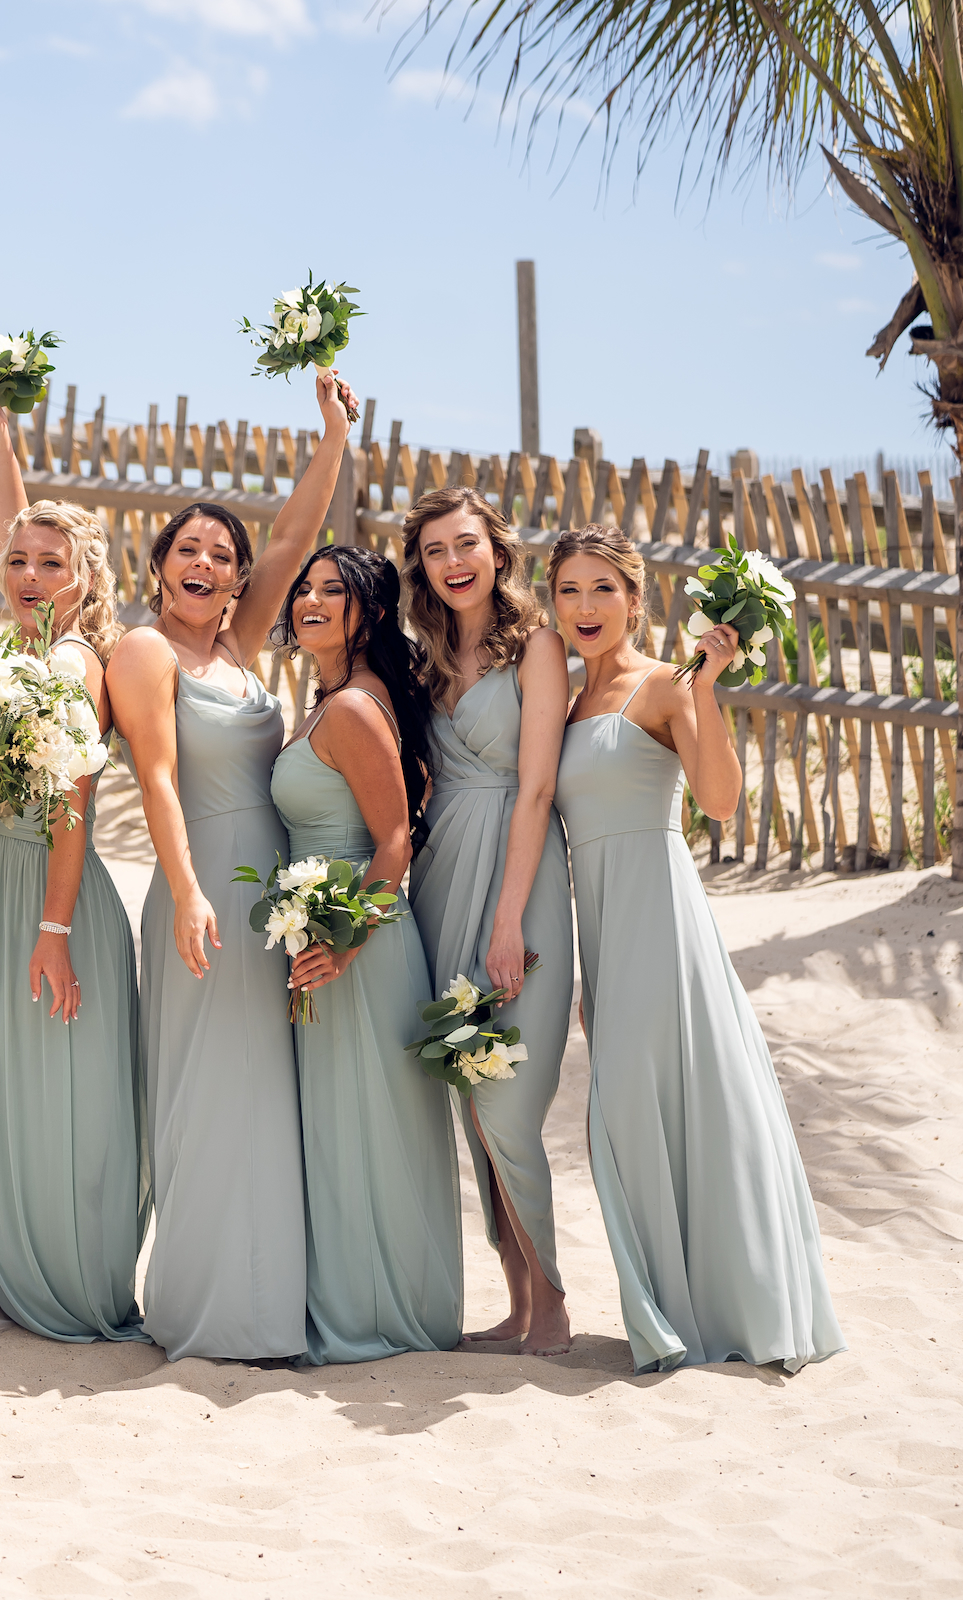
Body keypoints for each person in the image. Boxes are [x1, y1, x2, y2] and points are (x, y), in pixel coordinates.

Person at [549, 526, 844, 1374]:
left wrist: (707, 689)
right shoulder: (567, 702)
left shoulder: (668, 685)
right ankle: (669, 1304)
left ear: (635, 600)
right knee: (633, 1110)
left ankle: (716, 1309)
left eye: (603, 589)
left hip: (659, 911)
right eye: (569, 590)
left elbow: (717, 801)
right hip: (600, 925)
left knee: (677, 1101)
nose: (585, 607)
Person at [107, 366, 355, 1363]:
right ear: (160, 566)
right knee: (209, 1095)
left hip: (272, 895)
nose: (205, 564)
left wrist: (333, 433)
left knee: (265, 1096)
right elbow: (159, 778)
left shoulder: (241, 647)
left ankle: (265, 1308)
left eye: (223, 554)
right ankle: (205, 1311)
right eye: (189, 551)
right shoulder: (144, 651)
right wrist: (187, 890)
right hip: (200, 892)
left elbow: (294, 539)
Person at [0, 402, 146, 1345]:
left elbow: (70, 801)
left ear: (84, 580)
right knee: (17, 1092)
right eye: (17, 561)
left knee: (62, 1098)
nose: (29, 575)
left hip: (51, 896)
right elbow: (16, 519)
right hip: (1, 890)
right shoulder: (13, 650)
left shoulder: (72, 662)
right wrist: (4, 443)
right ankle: (25, 1269)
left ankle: (74, 1282)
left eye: (50, 564)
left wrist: (54, 929)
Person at [268, 543, 462, 1364]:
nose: (310, 600)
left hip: (362, 940)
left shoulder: (351, 708)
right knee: (347, 1127)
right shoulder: (333, 696)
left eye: (332, 593)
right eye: (305, 588)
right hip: (334, 933)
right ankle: (361, 1304)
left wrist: (345, 944)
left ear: (370, 614)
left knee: (369, 1128)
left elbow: (393, 843)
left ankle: (382, 1316)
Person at [401, 485, 575, 1358]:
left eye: (466, 544)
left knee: (507, 1101)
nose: (454, 563)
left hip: (520, 875)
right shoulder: (425, 657)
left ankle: (553, 1303)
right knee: (469, 1096)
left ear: (497, 552)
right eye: (435, 551)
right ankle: (514, 1305)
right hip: (442, 878)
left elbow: (538, 787)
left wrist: (509, 921)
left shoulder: (537, 648)